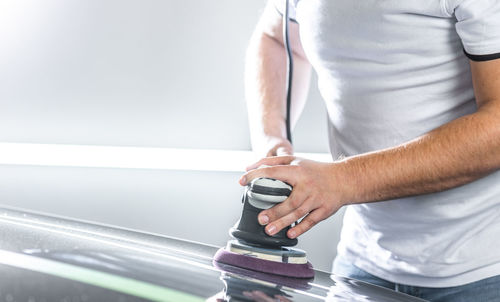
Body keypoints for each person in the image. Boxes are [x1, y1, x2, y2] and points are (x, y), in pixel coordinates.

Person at [239, 0, 500, 301]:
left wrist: (343, 180)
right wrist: (271, 142)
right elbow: (277, 37)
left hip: (484, 273)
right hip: (361, 265)